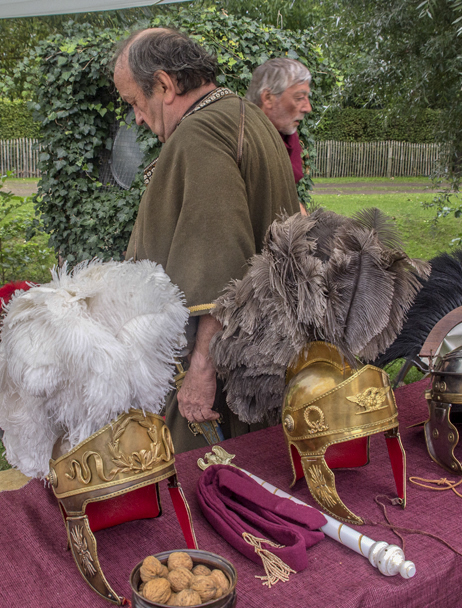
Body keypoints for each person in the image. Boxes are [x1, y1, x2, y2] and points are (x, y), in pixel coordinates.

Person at [112, 28, 300, 452]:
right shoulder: (245, 115)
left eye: (135, 103)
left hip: (219, 370)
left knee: (202, 482)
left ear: (164, 84)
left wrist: (201, 370)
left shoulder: (198, 135)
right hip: (256, 357)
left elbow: (220, 266)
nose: (138, 118)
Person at [247, 58, 312, 184]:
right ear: (268, 98)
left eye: (307, 97)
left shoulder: (287, 138)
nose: (307, 108)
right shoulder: (242, 143)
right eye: (299, 97)